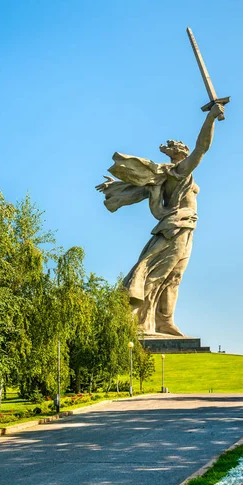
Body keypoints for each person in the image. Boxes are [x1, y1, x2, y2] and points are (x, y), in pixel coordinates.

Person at [96, 102, 225, 336]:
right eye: (182, 149)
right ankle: (135, 321)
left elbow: (140, 190)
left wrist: (114, 187)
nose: (186, 150)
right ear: (179, 154)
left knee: (174, 276)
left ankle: (164, 321)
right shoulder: (178, 171)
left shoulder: (166, 175)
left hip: (186, 228)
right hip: (175, 227)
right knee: (156, 273)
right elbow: (202, 148)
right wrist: (210, 119)